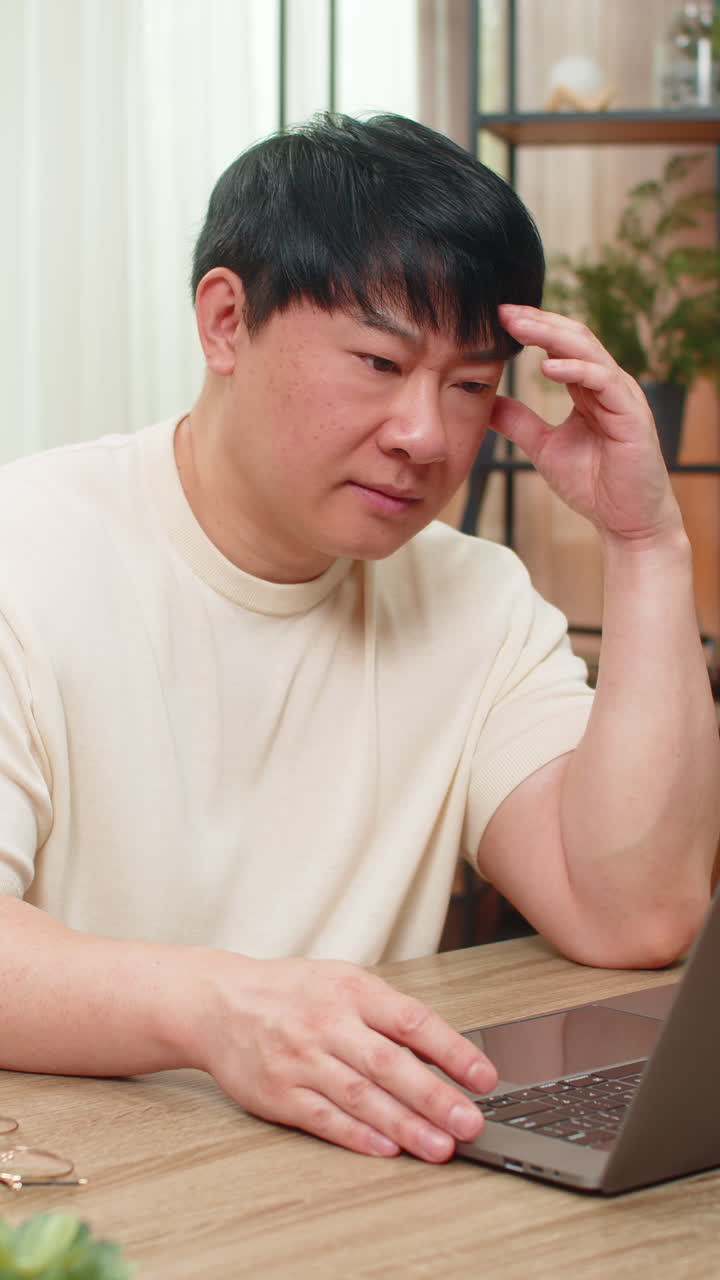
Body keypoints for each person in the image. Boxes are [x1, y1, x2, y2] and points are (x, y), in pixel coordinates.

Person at [0, 112, 717, 1166]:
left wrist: (646, 543)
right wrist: (215, 1010)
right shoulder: (27, 552)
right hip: (66, 1177)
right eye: (379, 361)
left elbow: (636, 914)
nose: (424, 435)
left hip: (354, 1176)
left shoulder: (474, 598)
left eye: (470, 385)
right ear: (226, 322)